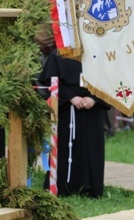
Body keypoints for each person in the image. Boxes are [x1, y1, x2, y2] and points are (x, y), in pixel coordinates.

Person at [38, 51, 109, 197]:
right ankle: (64, 187)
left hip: (92, 111)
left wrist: (93, 99)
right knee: (65, 147)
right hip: (67, 109)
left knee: (91, 147)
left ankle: (91, 187)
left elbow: (110, 80)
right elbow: (51, 80)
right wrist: (71, 97)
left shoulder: (102, 51)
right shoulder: (58, 55)